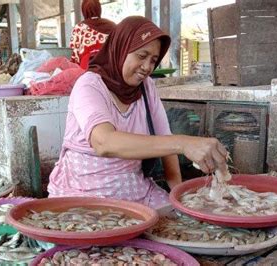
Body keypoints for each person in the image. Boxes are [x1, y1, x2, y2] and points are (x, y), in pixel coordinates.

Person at [48, 16, 228, 209]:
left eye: (153, 60)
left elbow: (165, 141)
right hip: (84, 192)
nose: (147, 67)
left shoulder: (146, 87)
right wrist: (184, 143)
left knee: (180, 223)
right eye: (142, 56)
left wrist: (180, 197)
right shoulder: (89, 85)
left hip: (134, 189)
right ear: (121, 49)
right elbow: (104, 142)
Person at [69, 0, 116, 69]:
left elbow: (75, 54)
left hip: (87, 67)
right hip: (109, 67)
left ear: (84, 11)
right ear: (99, 9)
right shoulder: (113, 25)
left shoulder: (80, 27)